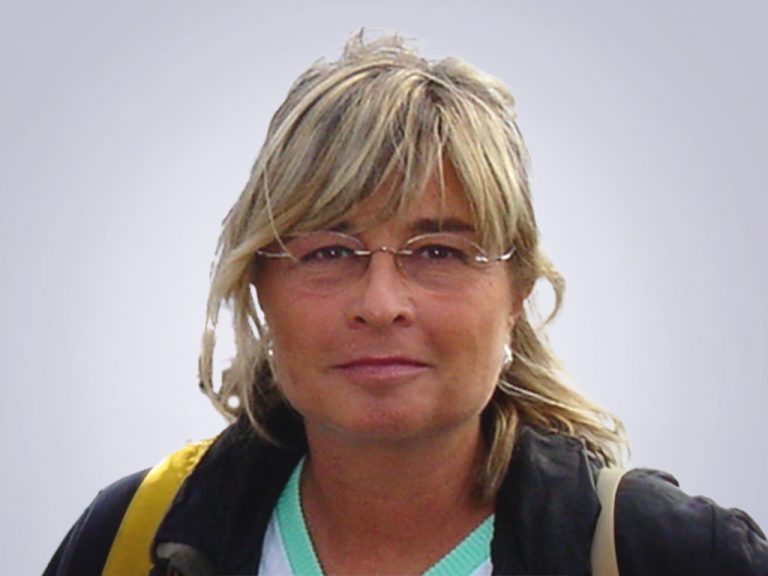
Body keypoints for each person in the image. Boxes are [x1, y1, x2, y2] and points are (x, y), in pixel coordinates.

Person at [45, 33, 768, 576]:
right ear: (259, 285)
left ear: (517, 292)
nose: (382, 302)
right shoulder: (131, 541)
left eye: (439, 252)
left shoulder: (675, 556)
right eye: (329, 251)